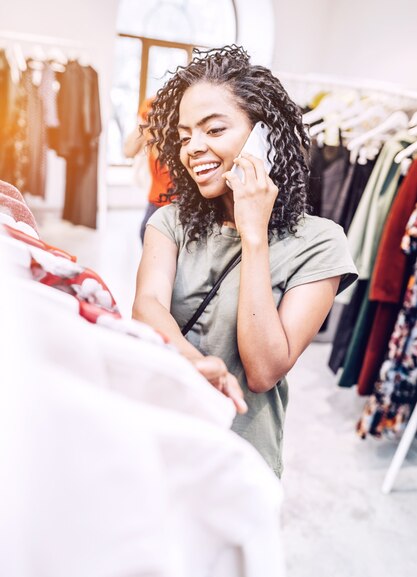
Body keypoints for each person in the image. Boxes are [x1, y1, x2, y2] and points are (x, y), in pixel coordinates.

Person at [132, 45, 358, 477]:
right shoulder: (170, 222)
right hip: (164, 435)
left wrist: (254, 235)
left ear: (264, 137)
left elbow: (263, 371)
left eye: (213, 130)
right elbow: (146, 306)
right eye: (184, 136)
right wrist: (196, 364)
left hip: (241, 454)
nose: (193, 148)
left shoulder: (322, 243)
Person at [124, 96, 172, 242]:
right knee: (144, 234)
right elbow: (128, 150)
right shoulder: (150, 115)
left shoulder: (177, 130)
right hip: (155, 201)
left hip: (179, 204)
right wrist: (144, 122)